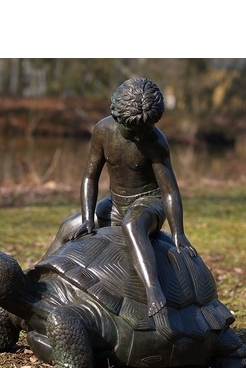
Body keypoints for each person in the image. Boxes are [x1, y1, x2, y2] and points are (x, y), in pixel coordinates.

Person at [44, 77, 198, 317]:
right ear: (115, 115)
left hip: (149, 203)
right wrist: (87, 218)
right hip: (116, 202)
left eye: (143, 132)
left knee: (132, 225)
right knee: (68, 225)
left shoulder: (156, 142)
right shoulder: (103, 131)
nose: (138, 138)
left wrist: (178, 232)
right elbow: (89, 177)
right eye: (132, 132)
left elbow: (168, 190)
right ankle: (38, 278)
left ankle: (153, 290)